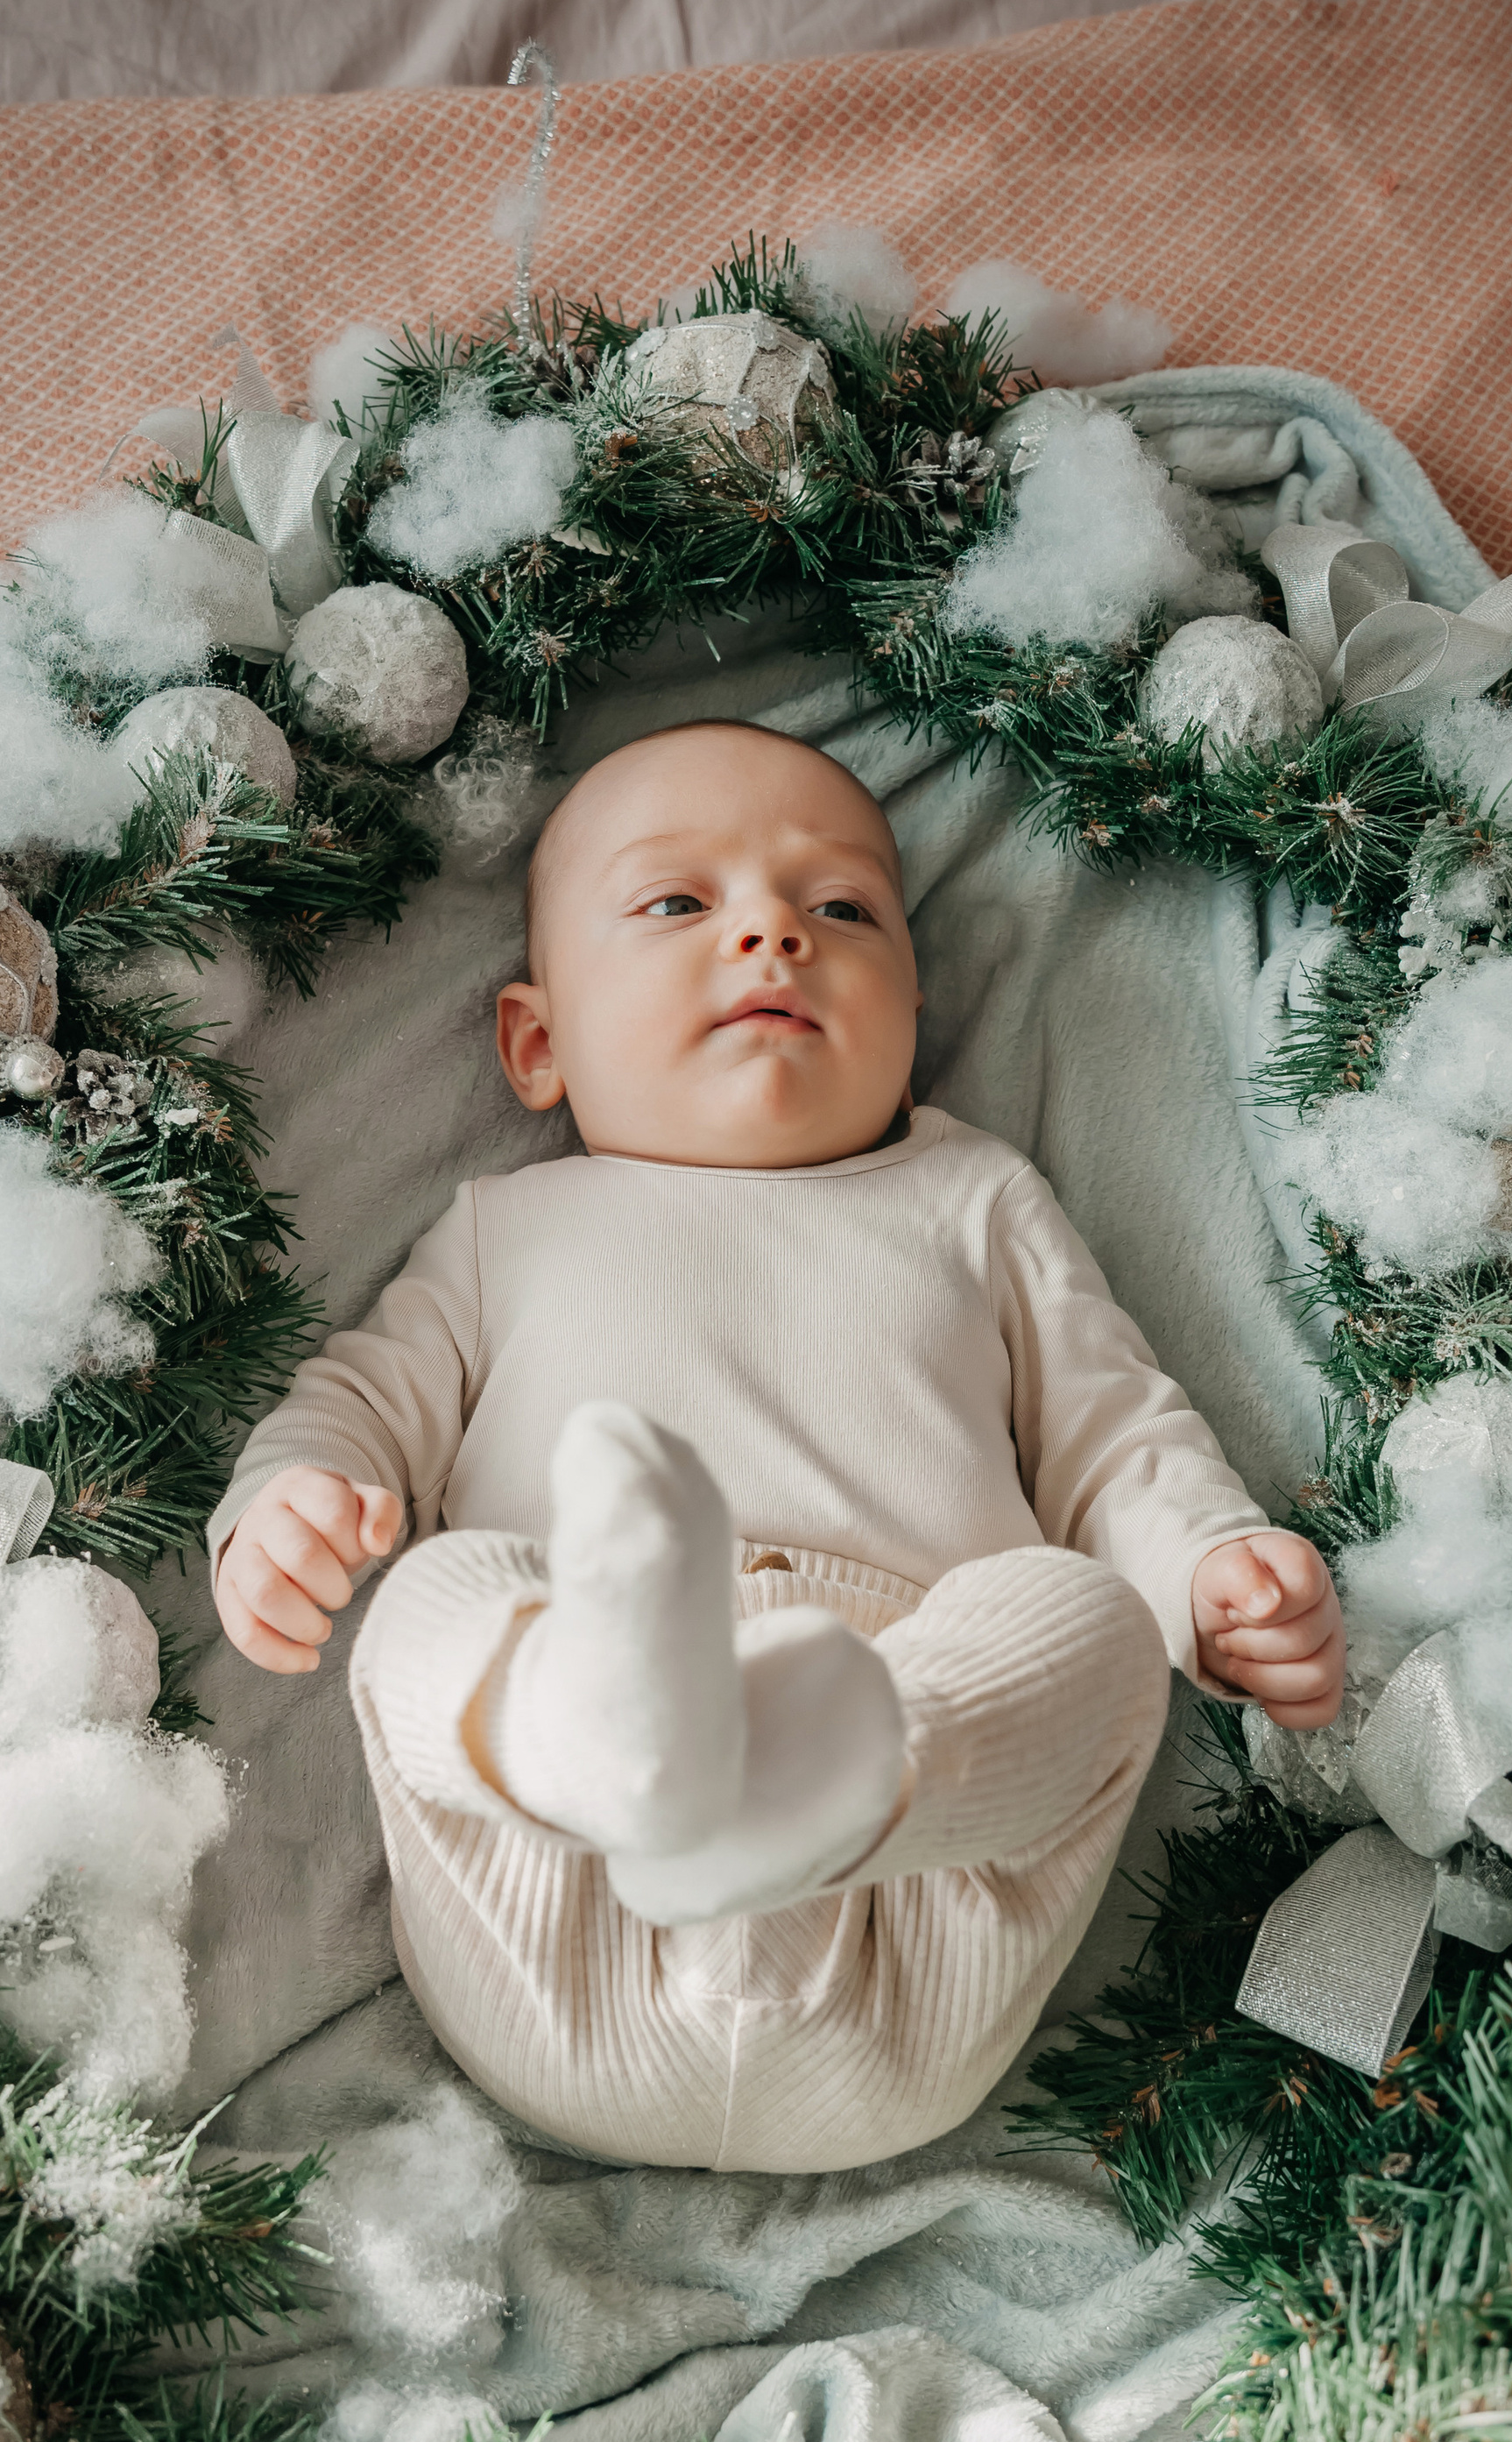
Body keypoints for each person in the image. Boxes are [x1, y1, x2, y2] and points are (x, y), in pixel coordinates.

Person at [209, 722, 1344, 2171]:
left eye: (842, 910)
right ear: (538, 1044)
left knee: (1088, 1621)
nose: (773, 931)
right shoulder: (505, 1232)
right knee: (441, 1600)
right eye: (679, 904)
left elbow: (1114, 1436)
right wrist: (290, 1502)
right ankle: (602, 1724)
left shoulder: (970, 1197)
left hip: (917, 1894)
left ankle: (829, 1777)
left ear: (913, 1019)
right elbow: (360, 1402)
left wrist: (1208, 1569)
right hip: (560, 1897)